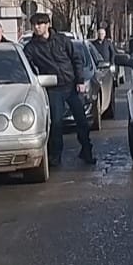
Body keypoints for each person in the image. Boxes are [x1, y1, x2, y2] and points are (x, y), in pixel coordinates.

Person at [23, 13, 96, 166]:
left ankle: (86, 150)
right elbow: (28, 67)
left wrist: (80, 80)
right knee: (56, 123)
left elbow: (76, 59)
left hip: (71, 86)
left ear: (48, 24)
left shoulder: (62, 40)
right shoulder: (31, 47)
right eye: (34, 24)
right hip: (53, 88)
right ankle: (55, 155)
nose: (37, 27)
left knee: (82, 120)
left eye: (40, 24)